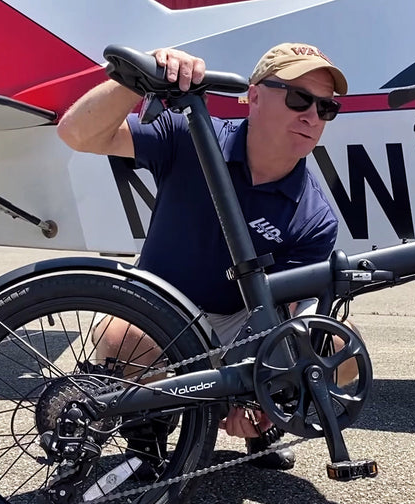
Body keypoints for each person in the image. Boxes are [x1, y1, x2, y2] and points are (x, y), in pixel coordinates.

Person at [57, 43, 352, 470]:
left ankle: (263, 424)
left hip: (239, 323)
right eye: (298, 97)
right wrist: (136, 78)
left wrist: (265, 389)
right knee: (126, 337)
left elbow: (284, 315)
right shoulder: (191, 135)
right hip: (163, 310)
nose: (311, 115)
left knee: (333, 340)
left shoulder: (314, 216)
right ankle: (147, 429)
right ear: (252, 95)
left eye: (326, 108)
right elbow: (77, 134)